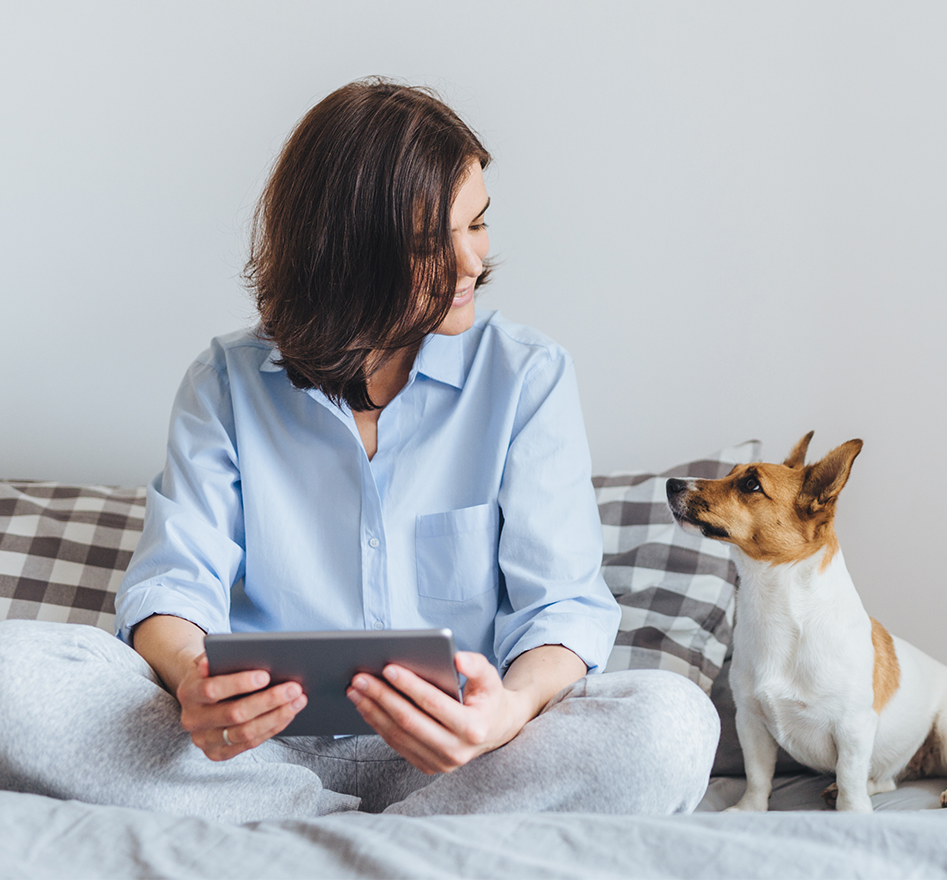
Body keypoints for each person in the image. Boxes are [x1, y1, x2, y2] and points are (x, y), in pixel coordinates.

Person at [0, 79, 719, 822]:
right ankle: (349, 831)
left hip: (464, 763)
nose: (472, 261)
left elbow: (562, 608)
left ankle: (290, 834)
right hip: (254, 757)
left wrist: (507, 709)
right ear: (342, 256)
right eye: (427, 245)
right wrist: (193, 682)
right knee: (10, 678)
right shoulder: (225, 384)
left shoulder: (526, 377)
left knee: (671, 724)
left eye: (477, 223)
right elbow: (174, 586)